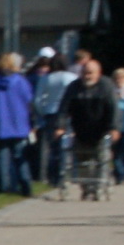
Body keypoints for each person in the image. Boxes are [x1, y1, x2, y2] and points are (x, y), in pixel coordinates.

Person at [55, 56, 123, 200]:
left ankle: (99, 187)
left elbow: (113, 109)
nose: (87, 76)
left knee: (101, 160)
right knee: (83, 162)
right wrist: (60, 126)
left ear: (98, 73)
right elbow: (64, 108)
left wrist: (114, 128)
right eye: (85, 73)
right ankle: (86, 187)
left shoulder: (106, 86)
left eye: (90, 73)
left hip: (101, 130)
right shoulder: (74, 87)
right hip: (80, 130)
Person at [0, 52, 35, 196]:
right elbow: (29, 99)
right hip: (18, 122)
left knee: (1, 156)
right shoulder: (21, 81)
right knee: (20, 156)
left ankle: (3, 186)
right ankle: (25, 184)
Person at [31, 52, 77, 189]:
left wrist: (43, 111)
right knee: (66, 144)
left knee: (52, 147)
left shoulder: (46, 78)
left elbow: (38, 99)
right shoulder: (71, 78)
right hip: (67, 113)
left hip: (51, 113)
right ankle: (64, 174)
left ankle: (53, 176)